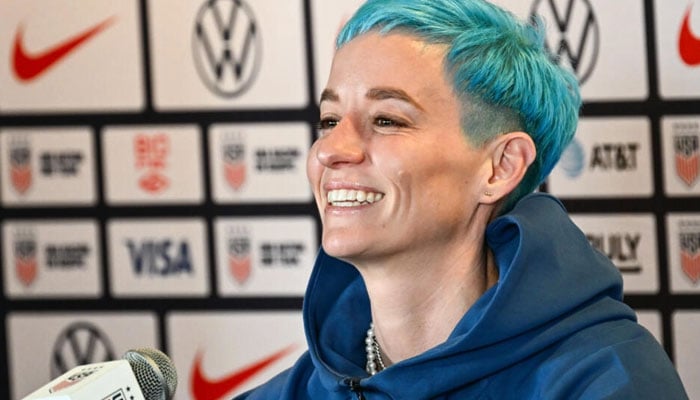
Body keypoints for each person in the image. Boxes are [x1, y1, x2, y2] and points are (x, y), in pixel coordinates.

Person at [236, 0, 688, 398]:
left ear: (501, 167)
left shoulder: (607, 382)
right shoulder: (295, 391)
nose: (332, 150)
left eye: (388, 120)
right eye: (330, 119)